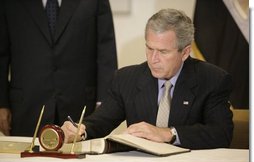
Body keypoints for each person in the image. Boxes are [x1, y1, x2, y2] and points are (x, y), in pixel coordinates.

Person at [61, 8, 233, 150]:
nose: (153, 58)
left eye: (163, 51)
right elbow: (102, 120)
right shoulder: (126, 78)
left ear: (185, 52)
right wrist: (81, 129)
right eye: (150, 48)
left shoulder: (213, 80)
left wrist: (168, 133)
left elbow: (221, 134)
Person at [0, 0, 117, 136]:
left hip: (81, 108)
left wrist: (104, 104)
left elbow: (106, 52)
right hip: (27, 108)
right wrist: (2, 103)